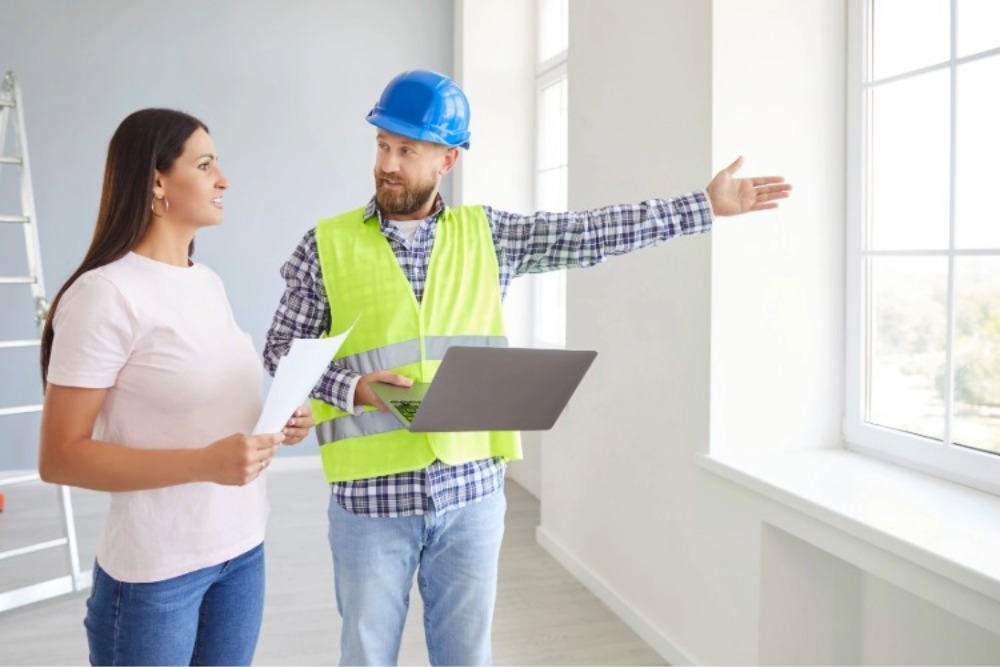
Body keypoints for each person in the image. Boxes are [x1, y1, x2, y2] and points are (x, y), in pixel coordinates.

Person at [263, 69, 791, 667]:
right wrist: (352, 386)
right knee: (365, 654)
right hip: (369, 498)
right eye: (383, 145)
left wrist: (702, 206)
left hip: (471, 494)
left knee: (467, 656)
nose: (389, 162)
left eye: (408, 150)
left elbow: (589, 233)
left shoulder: (489, 235)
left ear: (448, 161)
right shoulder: (323, 245)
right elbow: (280, 348)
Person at [37, 108, 314, 667]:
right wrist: (204, 464)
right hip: (156, 576)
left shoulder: (205, 281)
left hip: (241, 551)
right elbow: (60, 458)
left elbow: (208, 407)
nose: (224, 180)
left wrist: (279, 420)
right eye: (206, 164)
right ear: (157, 181)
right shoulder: (105, 295)